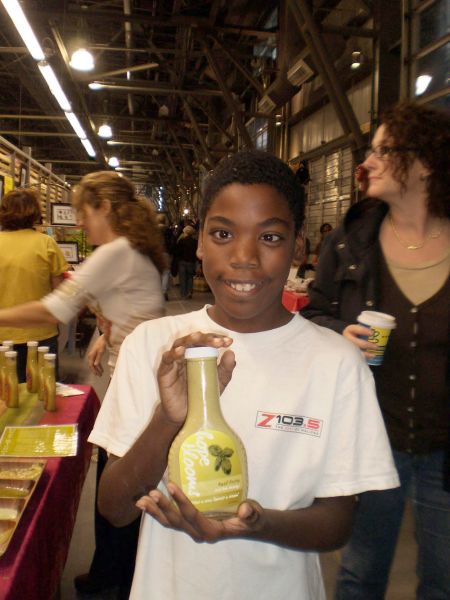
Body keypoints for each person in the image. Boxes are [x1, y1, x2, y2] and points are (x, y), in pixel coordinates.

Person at [89, 150, 399, 600]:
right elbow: (114, 508)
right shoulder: (153, 345)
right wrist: (167, 419)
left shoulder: (336, 363)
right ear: (199, 243)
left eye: (270, 237)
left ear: (298, 248)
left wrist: (255, 523)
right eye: (222, 233)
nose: (244, 257)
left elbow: (337, 523)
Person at [301, 101, 450, 600]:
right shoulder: (350, 241)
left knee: (444, 578)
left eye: (384, 150)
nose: (369, 162)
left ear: (426, 163)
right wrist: (337, 331)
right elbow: (313, 313)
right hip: (371, 436)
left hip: (444, 446)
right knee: (360, 573)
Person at [0, 170, 167, 598]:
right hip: (133, 372)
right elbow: (126, 307)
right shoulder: (131, 250)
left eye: (83, 212)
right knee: (122, 473)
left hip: (138, 382)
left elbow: (56, 309)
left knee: (121, 479)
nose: (79, 223)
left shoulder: (114, 252)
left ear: (105, 208)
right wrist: (103, 337)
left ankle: (117, 574)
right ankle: (112, 568)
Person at [0, 188, 68, 381]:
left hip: (2, 334)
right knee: (41, 398)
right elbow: (60, 294)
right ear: (35, 213)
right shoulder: (46, 243)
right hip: (40, 335)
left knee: (4, 397)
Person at [175, 223, 198, 299]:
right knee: (190, 278)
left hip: (182, 261)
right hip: (191, 261)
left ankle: (183, 294)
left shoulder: (181, 241)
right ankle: (189, 292)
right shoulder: (195, 241)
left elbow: (177, 251)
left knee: (183, 278)